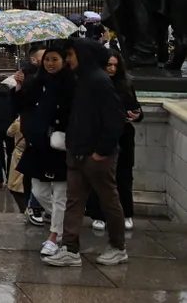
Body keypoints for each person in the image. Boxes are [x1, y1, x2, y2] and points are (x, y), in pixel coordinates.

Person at [44, 39, 130, 267]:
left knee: (109, 202)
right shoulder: (81, 80)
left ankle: (118, 247)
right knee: (74, 202)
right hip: (78, 152)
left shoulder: (99, 81)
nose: (68, 59)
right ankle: (70, 250)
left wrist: (100, 153)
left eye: (71, 55)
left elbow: (115, 119)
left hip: (96, 156)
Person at [14, 46, 73, 256]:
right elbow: (21, 106)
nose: (50, 63)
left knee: (60, 195)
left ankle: (54, 236)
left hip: (60, 144)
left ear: (64, 60)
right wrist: (19, 85)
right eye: (47, 59)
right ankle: (65, 221)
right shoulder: (37, 81)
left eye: (54, 59)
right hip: (38, 144)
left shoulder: (70, 83)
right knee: (39, 191)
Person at [88, 50, 141, 231]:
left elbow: (136, 107)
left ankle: (126, 213)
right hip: (101, 135)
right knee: (99, 176)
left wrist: (136, 115)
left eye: (115, 65)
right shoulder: (94, 84)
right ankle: (98, 214)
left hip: (124, 135)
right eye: (108, 65)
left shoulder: (126, 84)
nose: (111, 69)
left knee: (124, 176)